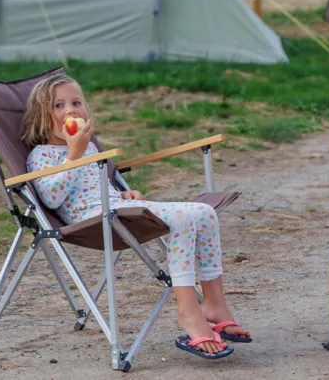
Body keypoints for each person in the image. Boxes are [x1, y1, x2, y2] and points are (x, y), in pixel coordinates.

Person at [21, 73, 251, 360]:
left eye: (76, 102)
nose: (70, 110)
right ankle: (189, 313)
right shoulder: (42, 156)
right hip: (95, 221)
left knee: (204, 213)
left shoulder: (90, 147)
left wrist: (125, 194)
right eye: (58, 106)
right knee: (184, 218)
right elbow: (52, 198)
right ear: (41, 118)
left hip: (116, 208)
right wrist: (74, 154)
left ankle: (215, 304)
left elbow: (99, 185)